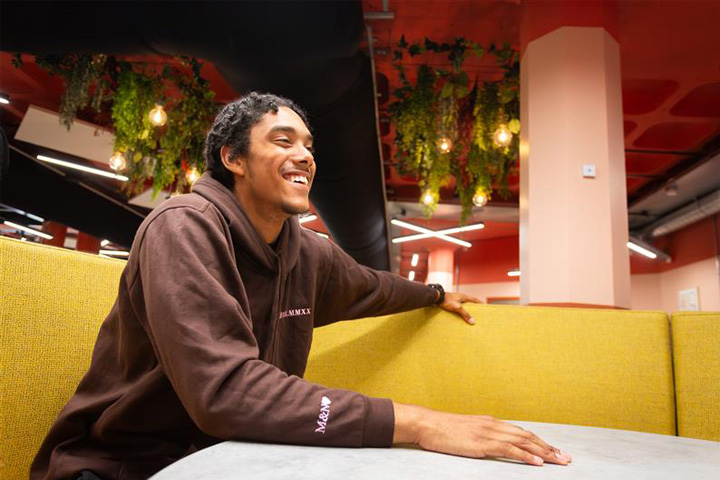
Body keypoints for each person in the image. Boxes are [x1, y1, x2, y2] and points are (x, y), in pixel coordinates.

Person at [31, 92, 570, 480]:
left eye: (308, 145)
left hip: (231, 458)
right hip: (122, 465)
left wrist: (434, 294)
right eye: (282, 140)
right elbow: (226, 393)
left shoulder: (304, 252)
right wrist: (419, 422)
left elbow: (374, 288)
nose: (305, 155)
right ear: (234, 159)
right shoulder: (183, 226)